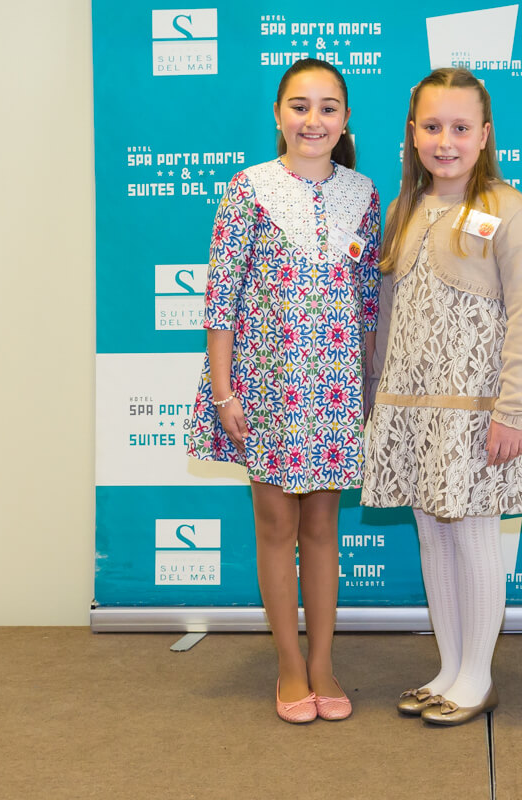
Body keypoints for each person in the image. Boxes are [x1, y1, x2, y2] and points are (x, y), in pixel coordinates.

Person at [187, 58, 380, 724]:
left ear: (345, 120)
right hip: (266, 388)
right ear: (278, 114)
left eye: (328, 108)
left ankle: (323, 663)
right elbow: (221, 299)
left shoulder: (364, 195)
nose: (313, 120)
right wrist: (223, 394)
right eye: (300, 106)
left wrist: (368, 390)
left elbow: (368, 303)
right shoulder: (249, 189)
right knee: (277, 527)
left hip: (334, 390)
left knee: (323, 527)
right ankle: (290, 666)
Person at [362, 67, 522, 726]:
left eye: (461, 128)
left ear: (485, 134)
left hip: (476, 413)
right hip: (411, 411)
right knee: (432, 538)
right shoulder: (402, 212)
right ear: (412, 133)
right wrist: (377, 399)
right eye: (433, 127)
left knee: (472, 537)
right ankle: (448, 668)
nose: (446, 141)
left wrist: (512, 408)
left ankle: (477, 675)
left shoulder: (507, 207)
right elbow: (387, 313)